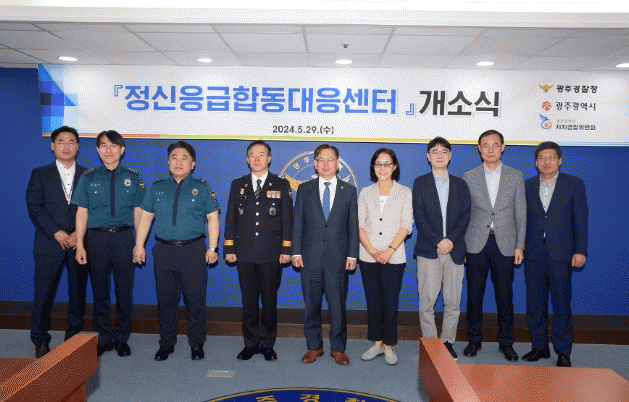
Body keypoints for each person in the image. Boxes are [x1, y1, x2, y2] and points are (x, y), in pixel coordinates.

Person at [133, 141, 220, 361]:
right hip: (164, 251)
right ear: (168, 162)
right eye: (174, 157)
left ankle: (196, 343)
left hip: (194, 251)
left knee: (195, 301)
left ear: (193, 163)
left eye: (184, 158)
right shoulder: (157, 187)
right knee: (166, 301)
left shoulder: (202, 187)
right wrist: (139, 245)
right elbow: (146, 217)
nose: (178, 162)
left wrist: (212, 247)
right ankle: (166, 343)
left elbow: (213, 218)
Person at [72, 130, 145, 357]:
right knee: (99, 290)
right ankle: (104, 337)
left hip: (124, 238)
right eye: (103, 145)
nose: (109, 150)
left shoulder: (134, 177)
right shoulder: (88, 177)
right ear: (97, 150)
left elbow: (138, 212)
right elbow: (82, 212)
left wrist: (138, 244)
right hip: (96, 239)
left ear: (122, 150)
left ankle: (122, 338)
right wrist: (80, 245)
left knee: (124, 291)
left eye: (114, 145)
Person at [223, 140, 293, 361]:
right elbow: (231, 218)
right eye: (252, 155)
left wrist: (286, 249)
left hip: (271, 253)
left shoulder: (281, 184)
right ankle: (251, 343)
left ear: (269, 158)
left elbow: (287, 220)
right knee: (249, 301)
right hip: (244, 252)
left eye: (261, 154)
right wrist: (229, 247)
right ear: (247, 159)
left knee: (269, 301)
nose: (257, 159)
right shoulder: (238, 184)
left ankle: (267, 344)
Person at [292, 144, 359, 366]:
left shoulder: (349, 191)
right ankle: (314, 346)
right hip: (309, 257)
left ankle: (338, 348)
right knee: (311, 306)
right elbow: (298, 223)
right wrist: (296, 251)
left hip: (338, 258)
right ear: (314, 164)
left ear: (338, 164)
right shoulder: (305, 189)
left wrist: (352, 255)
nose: (326, 164)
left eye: (330, 160)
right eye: (321, 159)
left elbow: (352, 225)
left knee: (337, 307)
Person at [522, 141, 588, 368]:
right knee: (535, 304)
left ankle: (563, 351)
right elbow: (521, 220)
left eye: (551, 157)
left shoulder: (574, 184)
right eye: (542, 158)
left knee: (561, 304)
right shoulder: (527, 185)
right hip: (533, 252)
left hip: (561, 253)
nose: (546, 162)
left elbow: (581, 220)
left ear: (560, 160)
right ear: (535, 162)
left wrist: (580, 250)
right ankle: (539, 347)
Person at [463, 129, 526, 362]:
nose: (490, 150)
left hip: (506, 243)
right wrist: (463, 247)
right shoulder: (469, 176)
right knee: (474, 295)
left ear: (503, 147)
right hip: (476, 243)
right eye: (486, 145)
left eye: (495, 145)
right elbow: (464, 214)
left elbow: (521, 213)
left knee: (505, 296)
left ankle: (506, 342)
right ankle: (473, 339)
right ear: (479, 149)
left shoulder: (515, 176)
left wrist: (520, 245)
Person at [26, 126, 88, 358]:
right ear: (53, 146)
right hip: (48, 243)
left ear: (77, 146)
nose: (66, 146)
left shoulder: (88, 174)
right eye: (61, 142)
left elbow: (93, 208)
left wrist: (77, 235)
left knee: (77, 294)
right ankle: (40, 340)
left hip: (79, 243)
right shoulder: (40, 173)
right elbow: (34, 206)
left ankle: (73, 338)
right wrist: (57, 233)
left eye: (71, 142)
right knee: (43, 294)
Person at [413, 137, 470, 361]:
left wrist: (449, 240)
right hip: (429, 250)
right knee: (426, 301)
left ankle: (447, 342)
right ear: (428, 157)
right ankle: (430, 343)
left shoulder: (460, 184)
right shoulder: (420, 183)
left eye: (444, 151)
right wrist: (438, 240)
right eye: (435, 152)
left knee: (452, 301)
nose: (439, 155)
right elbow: (419, 216)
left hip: (454, 250)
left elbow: (465, 216)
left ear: (450, 156)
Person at [358, 148, 413, 366]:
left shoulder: (405, 192)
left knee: (390, 304)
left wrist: (389, 250)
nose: (383, 168)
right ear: (373, 167)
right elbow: (359, 225)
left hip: (394, 256)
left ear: (394, 167)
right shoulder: (365, 192)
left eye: (387, 164)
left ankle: (389, 346)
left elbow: (406, 225)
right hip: (368, 256)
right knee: (373, 302)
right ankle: (377, 343)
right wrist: (372, 250)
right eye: (378, 164)